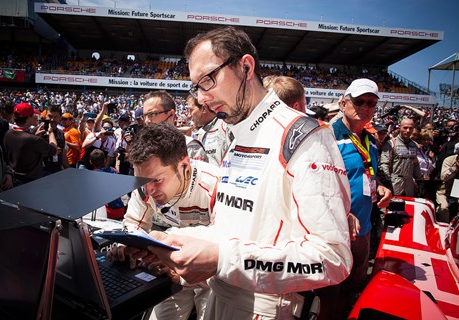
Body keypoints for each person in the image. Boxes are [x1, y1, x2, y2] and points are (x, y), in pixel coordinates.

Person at [136, 26, 352, 319]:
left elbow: (332, 258)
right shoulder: (238, 135)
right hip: (220, 298)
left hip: (269, 308)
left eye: (208, 80)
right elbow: (235, 232)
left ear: (246, 67)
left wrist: (224, 259)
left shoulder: (305, 137)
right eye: (196, 86)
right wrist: (173, 239)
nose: (201, 97)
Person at [112, 123, 219, 320]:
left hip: (210, 277)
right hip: (171, 272)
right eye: (141, 181)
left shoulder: (216, 185)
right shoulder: (144, 187)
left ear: (184, 165)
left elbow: (226, 252)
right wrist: (124, 245)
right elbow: (134, 222)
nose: (149, 190)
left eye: (157, 180)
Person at [331, 78, 392, 319]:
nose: (366, 108)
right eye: (360, 102)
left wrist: (381, 188)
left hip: (363, 229)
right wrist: (342, 213)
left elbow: (369, 176)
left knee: (354, 285)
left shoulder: (372, 141)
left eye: (372, 103)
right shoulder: (328, 136)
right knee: (330, 288)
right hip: (335, 227)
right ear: (343, 103)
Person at [142, 90, 208, 163]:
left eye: (152, 114)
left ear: (171, 114)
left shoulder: (189, 147)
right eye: (145, 116)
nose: (147, 120)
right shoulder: (143, 147)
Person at [3, 102, 57, 184]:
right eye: (32, 114)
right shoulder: (33, 139)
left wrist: (34, 135)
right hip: (30, 181)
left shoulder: (8, 133)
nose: (35, 116)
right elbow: (53, 150)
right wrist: (51, 132)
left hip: (15, 178)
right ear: (28, 118)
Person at [380, 118, 422, 196]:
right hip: (394, 183)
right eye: (405, 128)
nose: (408, 131)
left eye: (410, 128)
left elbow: (415, 164)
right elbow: (384, 164)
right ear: (400, 128)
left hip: (409, 185)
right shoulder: (391, 143)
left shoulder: (414, 145)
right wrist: (387, 181)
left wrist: (419, 181)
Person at [186, 94, 231, 166]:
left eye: (191, 110)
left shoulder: (225, 125)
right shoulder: (201, 132)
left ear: (204, 108)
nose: (189, 115)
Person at [89, 148, 125, 220]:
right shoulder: (114, 170)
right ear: (105, 160)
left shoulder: (91, 176)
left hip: (106, 212)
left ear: (90, 162)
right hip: (120, 210)